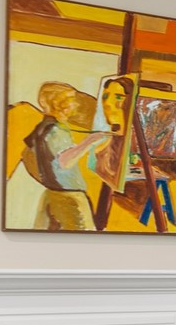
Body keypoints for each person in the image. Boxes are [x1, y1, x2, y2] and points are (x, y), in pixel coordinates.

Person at [22, 82, 111, 230]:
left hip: (51, 194)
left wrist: (46, 177)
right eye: (71, 103)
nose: (75, 106)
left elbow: (27, 154)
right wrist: (89, 141)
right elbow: (64, 162)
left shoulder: (42, 127)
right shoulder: (57, 130)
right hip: (70, 198)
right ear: (61, 106)